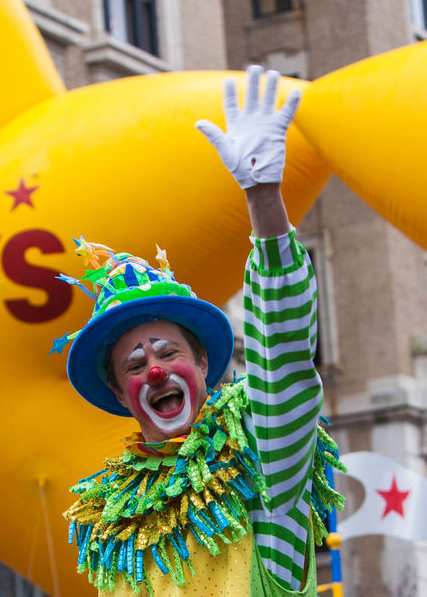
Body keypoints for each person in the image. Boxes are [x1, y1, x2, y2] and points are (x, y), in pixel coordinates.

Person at [56, 66, 343, 596]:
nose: (156, 369)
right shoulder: (115, 525)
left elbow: (282, 350)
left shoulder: (260, 459)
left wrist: (262, 198)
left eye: (167, 353)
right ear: (121, 393)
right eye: (135, 366)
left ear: (205, 364)